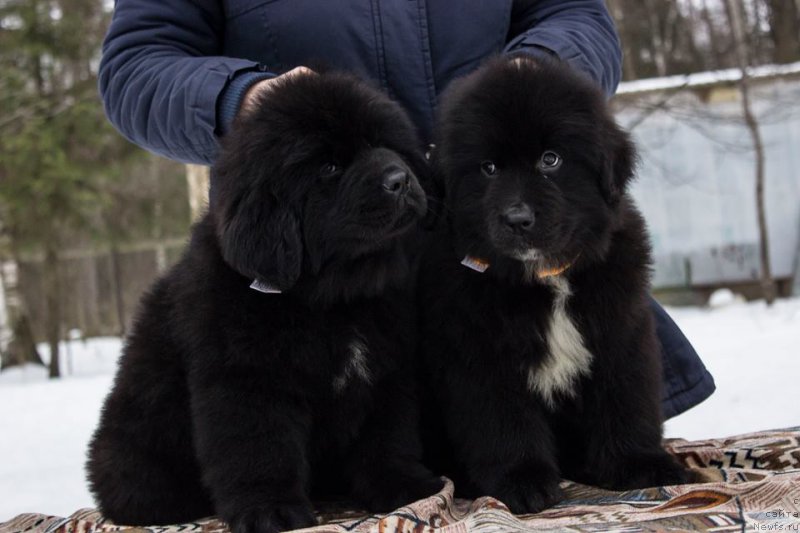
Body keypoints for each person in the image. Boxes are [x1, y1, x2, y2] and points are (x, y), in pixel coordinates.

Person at [98, 0, 715, 419]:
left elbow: (573, 13)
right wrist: (243, 97)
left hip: (513, 285)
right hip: (319, 318)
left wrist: (538, 74)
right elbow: (136, 66)